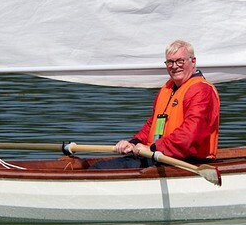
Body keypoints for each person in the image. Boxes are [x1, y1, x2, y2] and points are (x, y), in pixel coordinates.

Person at [91, 40, 220, 169]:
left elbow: (191, 134)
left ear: (193, 61)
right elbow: (153, 124)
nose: (174, 66)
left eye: (180, 61)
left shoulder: (201, 90)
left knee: (98, 168)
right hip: (160, 155)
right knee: (97, 166)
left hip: (185, 160)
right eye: (170, 62)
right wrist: (134, 143)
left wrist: (152, 148)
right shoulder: (168, 88)